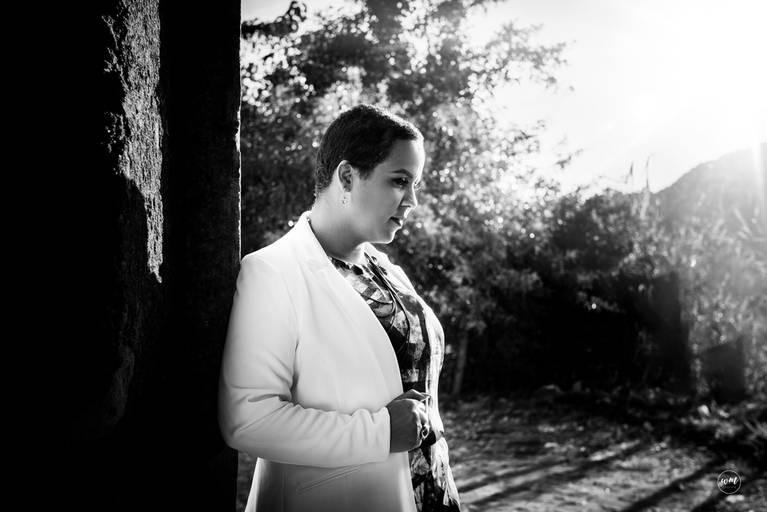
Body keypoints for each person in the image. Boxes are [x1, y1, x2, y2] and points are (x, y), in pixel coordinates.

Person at [218, 104, 461, 512]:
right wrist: (380, 432)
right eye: (400, 181)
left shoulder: (388, 272)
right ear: (347, 176)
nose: (412, 201)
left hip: (431, 493)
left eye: (415, 184)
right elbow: (248, 418)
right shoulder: (273, 272)